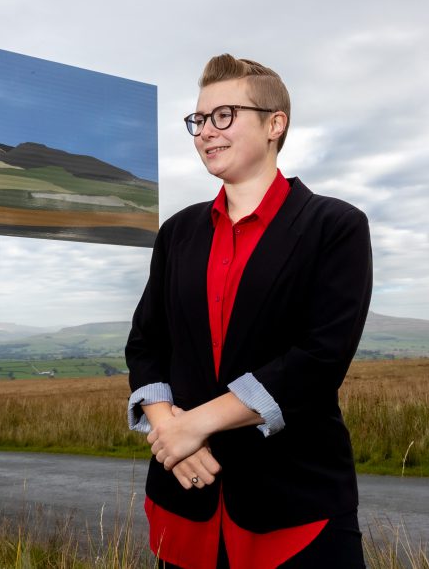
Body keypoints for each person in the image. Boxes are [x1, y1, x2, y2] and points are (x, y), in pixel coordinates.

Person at [125, 54, 373, 568]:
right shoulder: (177, 233)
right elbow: (147, 342)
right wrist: (169, 428)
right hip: (185, 499)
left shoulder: (336, 226)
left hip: (295, 507)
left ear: (274, 124)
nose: (205, 133)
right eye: (198, 120)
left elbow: (319, 360)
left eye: (224, 115)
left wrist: (194, 425)